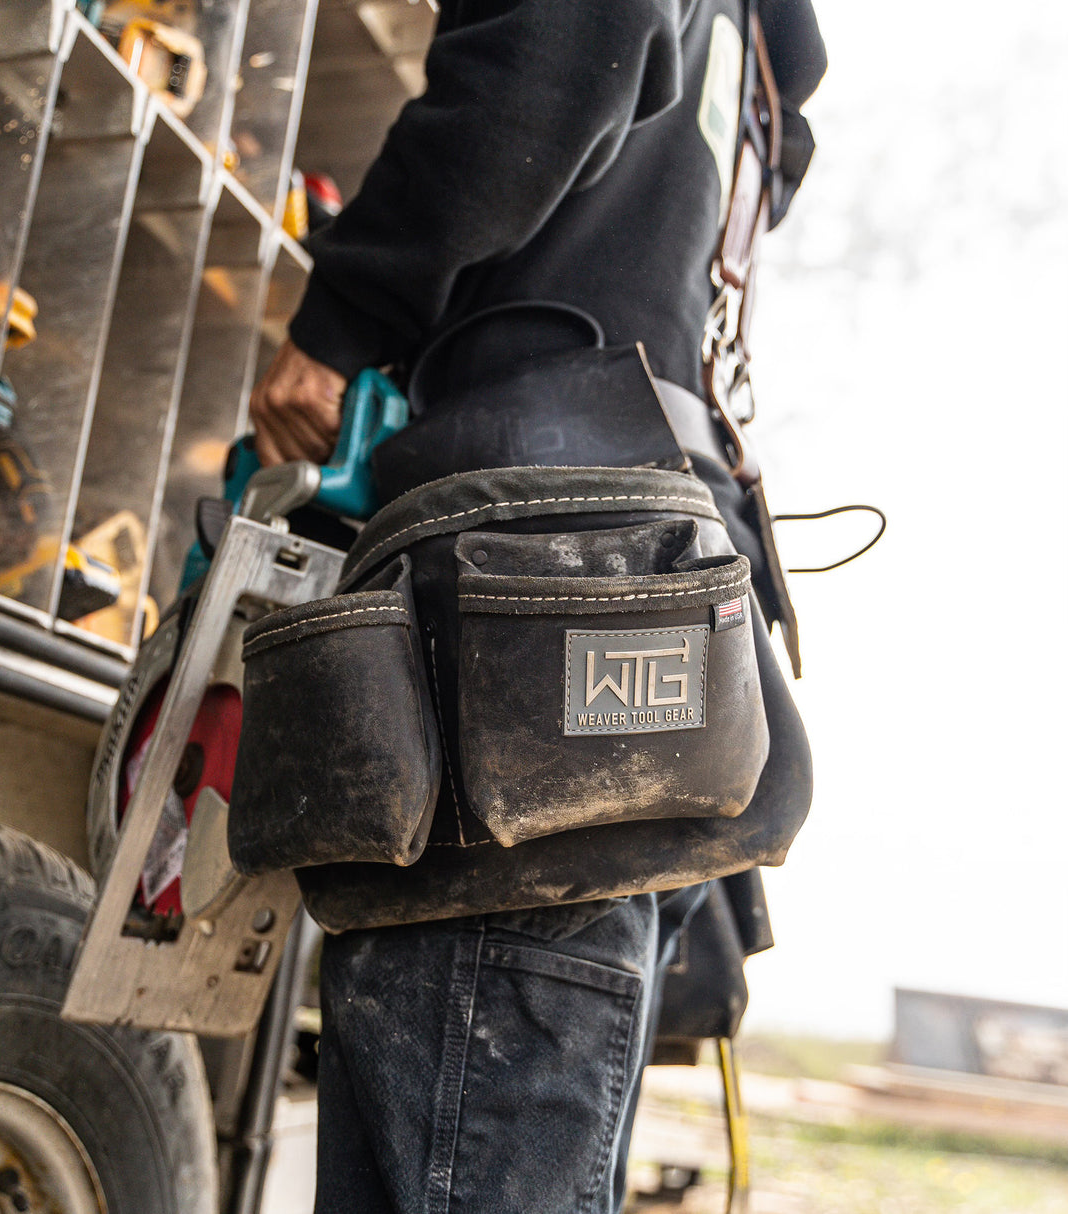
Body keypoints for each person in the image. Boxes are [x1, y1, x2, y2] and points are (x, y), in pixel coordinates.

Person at [248, 3, 826, 1211]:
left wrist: (343, 320)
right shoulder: (761, 58)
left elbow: (546, 59)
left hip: (531, 590)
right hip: (658, 590)